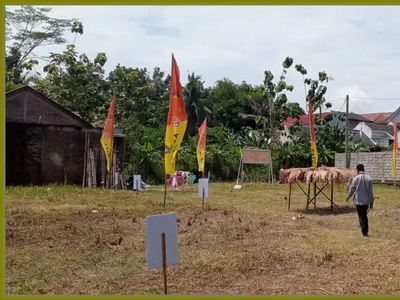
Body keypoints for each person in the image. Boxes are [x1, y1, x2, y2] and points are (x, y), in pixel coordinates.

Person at [346, 164, 374, 237]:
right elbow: (371, 191)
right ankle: (366, 230)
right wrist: (371, 202)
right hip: (366, 201)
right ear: (363, 169)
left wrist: (348, 197)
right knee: (365, 215)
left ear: (357, 170)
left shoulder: (356, 178)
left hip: (358, 200)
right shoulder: (369, 178)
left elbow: (352, 189)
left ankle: (364, 232)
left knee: (361, 216)